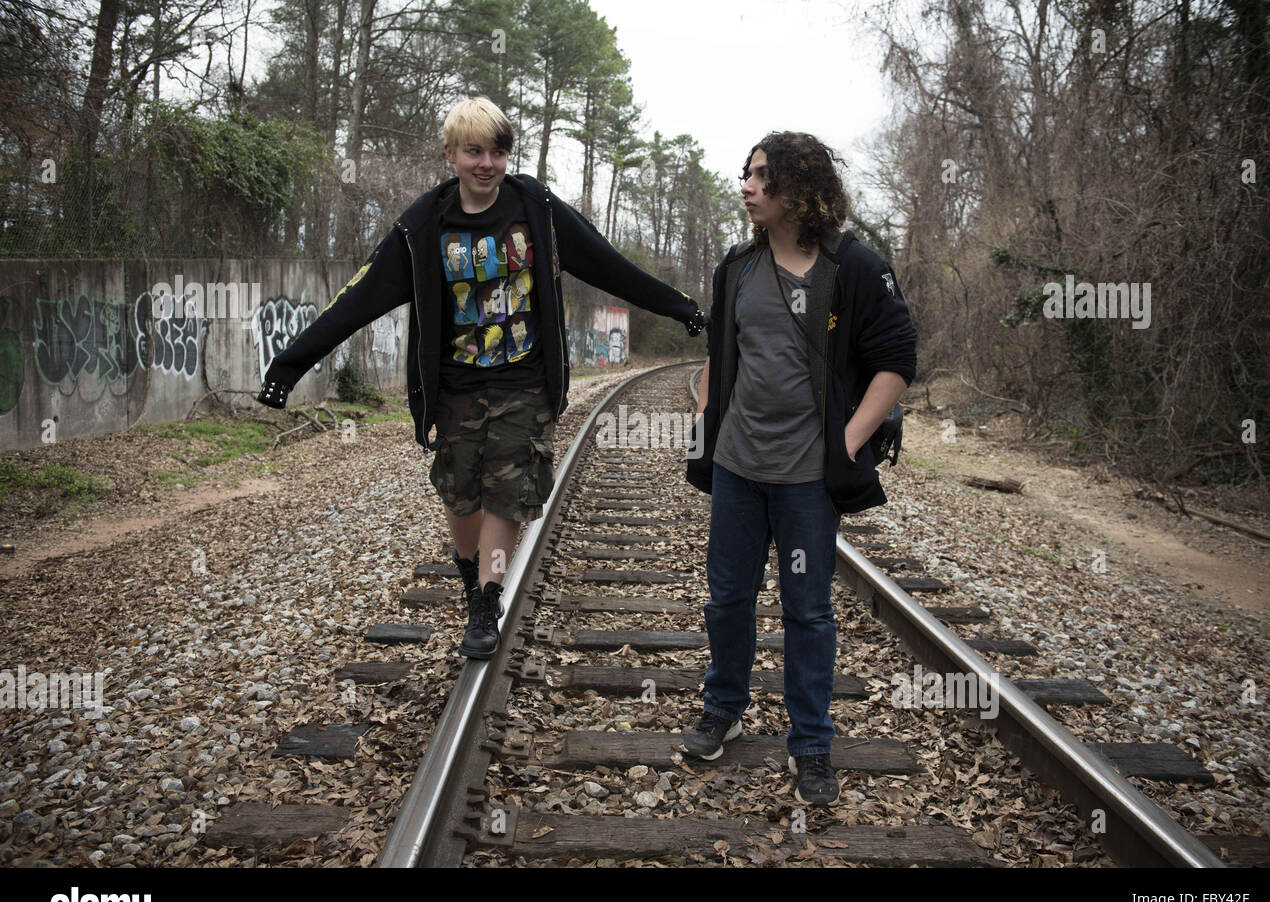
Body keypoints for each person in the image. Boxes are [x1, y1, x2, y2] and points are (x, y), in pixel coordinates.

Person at [257, 97, 704, 658]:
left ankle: (486, 600)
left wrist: (679, 305)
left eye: (497, 151)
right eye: (474, 152)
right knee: (461, 494)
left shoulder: (535, 208)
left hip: (525, 383)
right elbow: (358, 299)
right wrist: (288, 364)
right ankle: (472, 579)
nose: (487, 163)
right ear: (452, 154)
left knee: (507, 496)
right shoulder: (424, 224)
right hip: (454, 389)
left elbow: (607, 263)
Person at [683, 132, 917, 805]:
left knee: (808, 611)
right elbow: (723, 355)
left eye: (763, 177)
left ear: (799, 188)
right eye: (747, 174)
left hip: (809, 479)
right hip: (737, 469)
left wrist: (849, 440)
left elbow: (897, 359)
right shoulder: (737, 268)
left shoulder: (853, 269)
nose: (748, 186)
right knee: (726, 598)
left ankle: (811, 742)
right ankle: (722, 708)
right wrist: (705, 408)